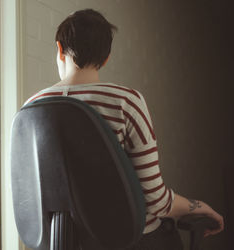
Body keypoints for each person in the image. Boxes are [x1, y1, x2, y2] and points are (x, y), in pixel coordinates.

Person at [24, 9, 224, 249]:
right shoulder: (126, 102)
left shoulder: (31, 108)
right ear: (106, 57)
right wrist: (198, 206)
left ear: (59, 49)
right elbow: (156, 201)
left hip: (61, 241)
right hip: (131, 241)